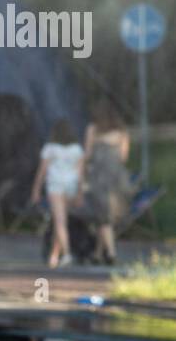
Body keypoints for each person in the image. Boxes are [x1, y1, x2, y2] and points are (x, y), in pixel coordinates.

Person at [30, 120, 85, 269]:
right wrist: (80, 192)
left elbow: (42, 171)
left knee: (60, 222)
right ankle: (54, 256)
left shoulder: (50, 148)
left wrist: (36, 189)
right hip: (71, 185)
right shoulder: (77, 149)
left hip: (56, 185)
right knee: (59, 221)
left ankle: (67, 254)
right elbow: (80, 174)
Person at [84, 104, 131, 266]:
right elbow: (124, 157)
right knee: (105, 217)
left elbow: (88, 154)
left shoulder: (93, 130)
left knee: (103, 217)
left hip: (99, 178)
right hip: (118, 179)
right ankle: (97, 254)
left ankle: (110, 253)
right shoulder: (122, 133)